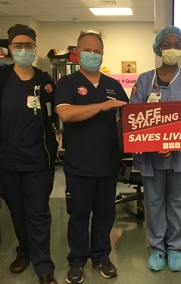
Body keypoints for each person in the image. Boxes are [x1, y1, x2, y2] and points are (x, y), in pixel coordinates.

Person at [54, 30, 128, 284]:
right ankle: (76, 261)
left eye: (97, 51)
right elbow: (65, 114)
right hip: (79, 166)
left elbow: (129, 119)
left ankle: (101, 256)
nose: (92, 55)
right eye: (87, 50)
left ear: (102, 54)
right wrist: (102, 106)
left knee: (105, 214)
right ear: (77, 52)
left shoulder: (113, 85)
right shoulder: (68, 84)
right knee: (78, 215)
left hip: (108, 165)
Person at [129, 25, 181, 272]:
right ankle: (157, 249)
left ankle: (175, 248)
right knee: (154, 202)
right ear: (158, 48)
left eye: (177, 45)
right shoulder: (144, 80)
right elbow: (134, 119)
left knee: (179, 203)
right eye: (167, 44)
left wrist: (174, 141)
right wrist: (157, 144)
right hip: (151, 158)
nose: (172, 49)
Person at [0, 24, 58, 284]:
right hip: (7, 161)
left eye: (28, 45)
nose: (23, 50)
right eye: (17, 45)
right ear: (10, 48)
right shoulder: (2, 79)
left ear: (35, 48)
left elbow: (57, 114)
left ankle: (44, 267)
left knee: (38, 213)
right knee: (17, 212)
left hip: (38, 160)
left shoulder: (45, 82)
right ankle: (24, 251)